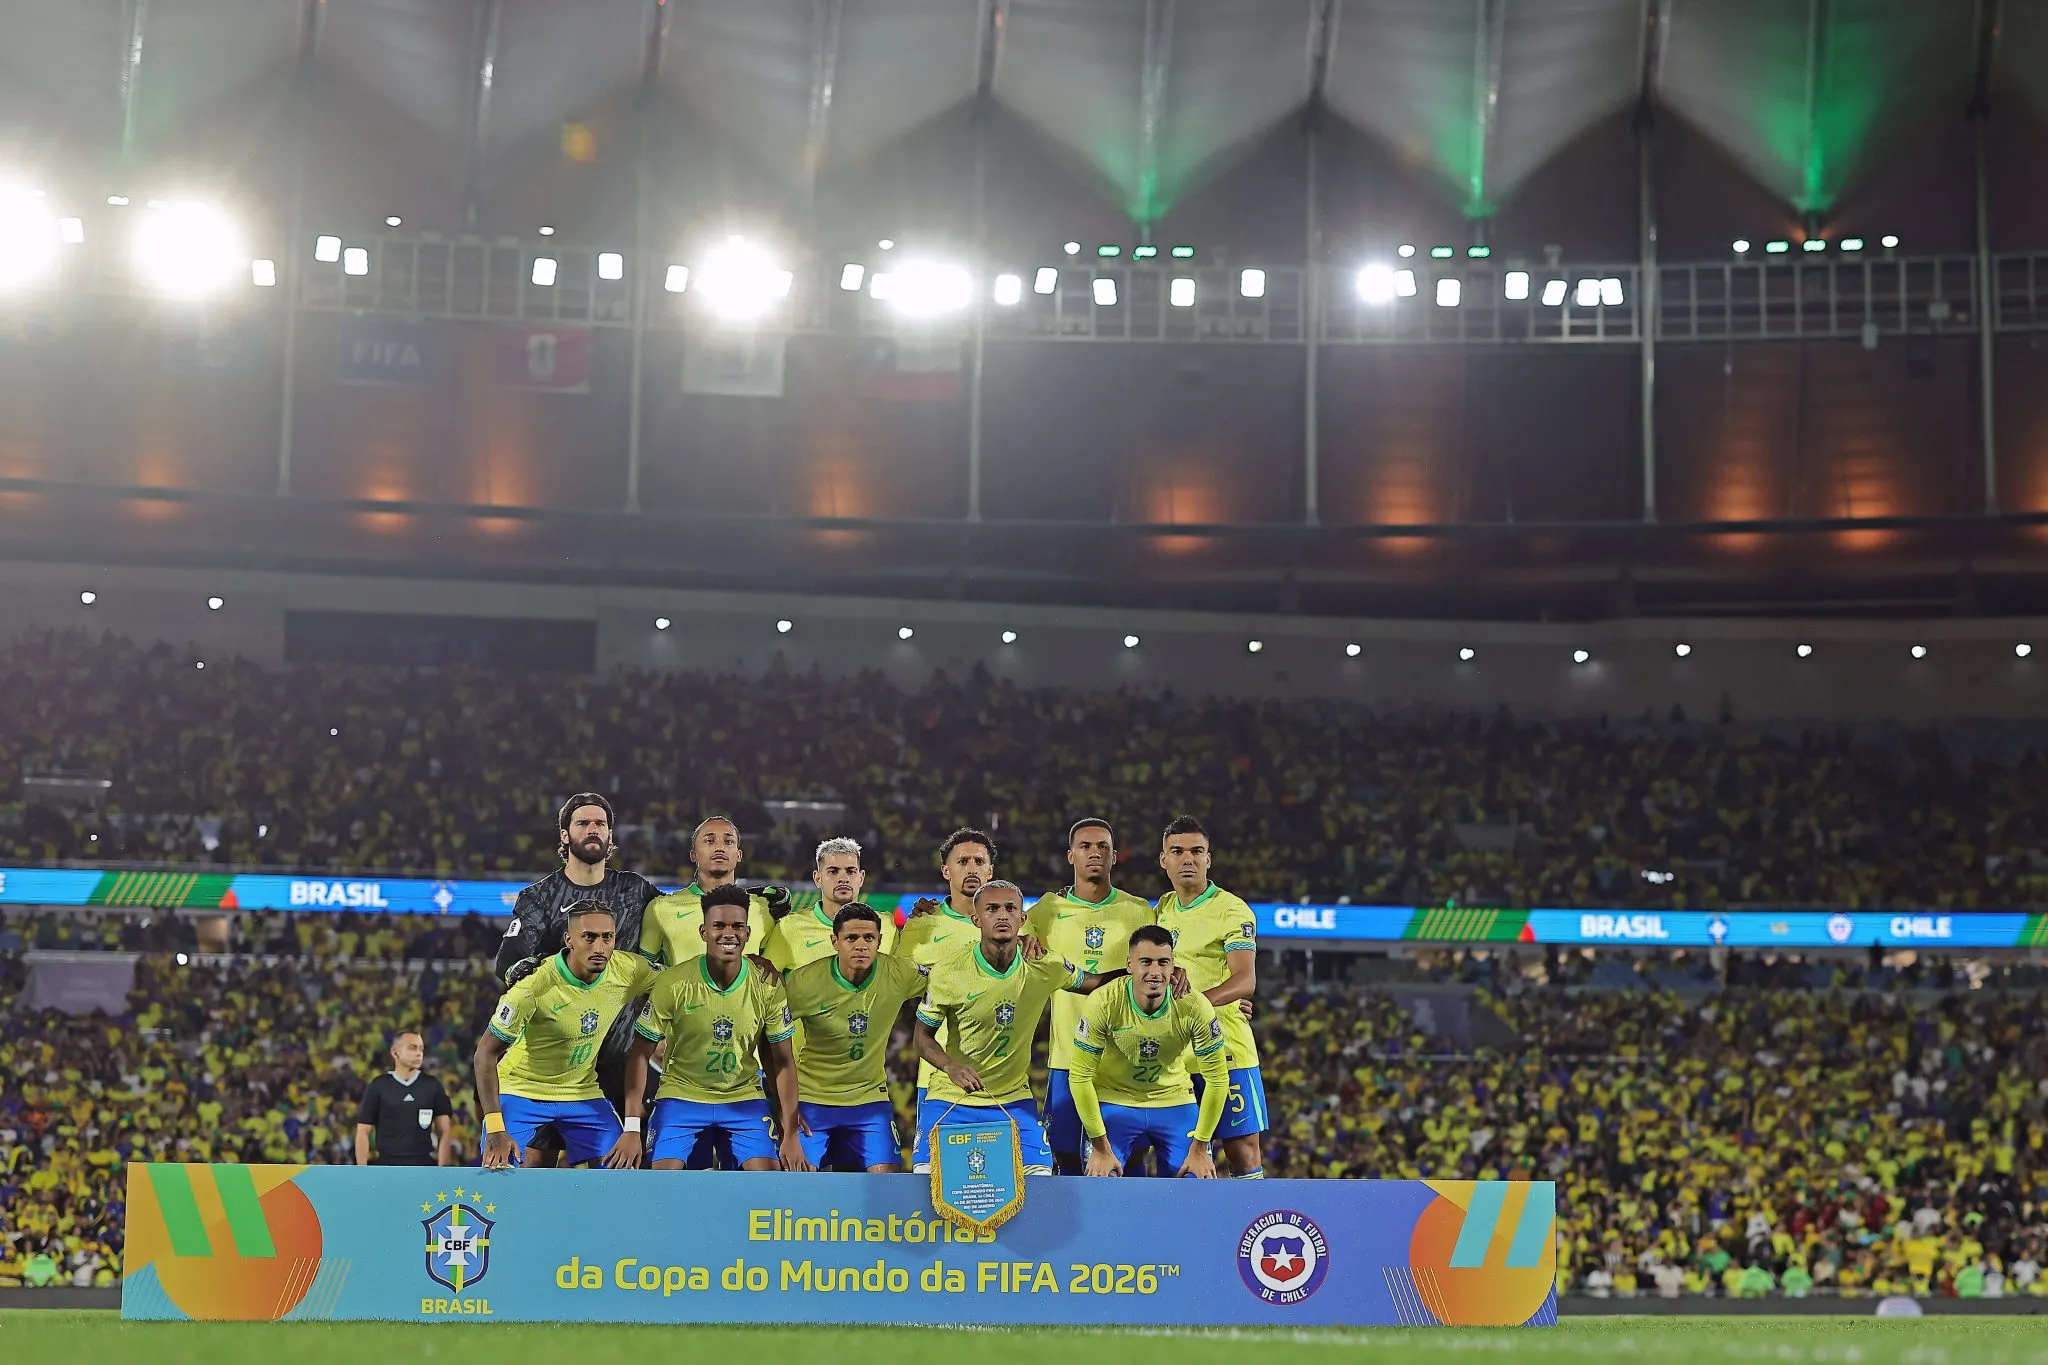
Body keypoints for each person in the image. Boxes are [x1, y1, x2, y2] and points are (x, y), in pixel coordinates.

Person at [494, 793, 666, 1165]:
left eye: (600, 824)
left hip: (621, 1058)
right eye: (583, 823)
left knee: (620, 1171)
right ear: (564, 835)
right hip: (555, 1064)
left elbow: (688, 915)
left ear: (610, 834)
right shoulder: (540, 897)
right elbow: (511, 958)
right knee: (537, 1168)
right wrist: (522, 971)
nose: (592, 830)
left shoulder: (636, 891)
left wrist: (754, 905)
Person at [910, 880, 1125, 1175]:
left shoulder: (1044, 966)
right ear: (976, 919)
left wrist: (1148, 971)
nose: (1002, 915)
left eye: (1010, 908)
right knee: (924, 1178)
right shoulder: (949, 972)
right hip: (951, 1097)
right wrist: (950, 1066)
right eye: (992, 909)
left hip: (1012, 1099)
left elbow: (1095, 982)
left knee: (1041, 1179)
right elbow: (921, 1038)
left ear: (1022, 920)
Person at [629, 885, 808, 1172]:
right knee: (662, 1181)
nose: (729, 933)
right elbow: (639, 1053)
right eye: (719, 926)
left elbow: (784, 1061)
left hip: (743, 1096)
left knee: (768, 1182)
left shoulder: (768, 986)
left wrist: (790, 1131)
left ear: (748, 934)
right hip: (681, 1095)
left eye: (738, 926)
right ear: (703, 933)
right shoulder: (674, 982)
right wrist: (630, 1127)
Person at [475, 901, 660, 1170]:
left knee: (622, 1168)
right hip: (522, 1089)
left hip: (581, 1091)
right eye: (589, 937)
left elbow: (677, 982)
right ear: (569, 939)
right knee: (499, 1166)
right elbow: (485, 1054)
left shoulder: (627, 970)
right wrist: (494, 1127)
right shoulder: (533, 987)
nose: (599, 947)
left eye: (607, 937)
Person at [1026, 819, 1156, 1173]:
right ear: (1070, 856)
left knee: (1129, 1160)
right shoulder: (1044, 911)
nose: (1094, 852)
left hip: (1123, 1058)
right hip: (1068, 1056)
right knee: (1064, 1157)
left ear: (1115, 857)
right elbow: (996, 933)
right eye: (1085, 846)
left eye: (1103, 846)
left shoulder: (1139, 910)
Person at [1153, 814, 1266, 1178]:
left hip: (1226, 1046)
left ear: (1208, 859)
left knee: (1242, 1154)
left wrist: (1196, 1004)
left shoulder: (1231, 910)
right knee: (1183, 1159)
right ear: (1164, 860)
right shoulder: (1162, 909)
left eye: (1197, 851)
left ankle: (1249, 1229)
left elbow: (1245, 980)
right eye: (1178, 851)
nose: (1188, 859)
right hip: (1174, 1056)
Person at [1068, 925, 1229, 1179]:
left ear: (1172, 966)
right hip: (1116, 1100)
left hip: (1174, 1100)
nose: (1155, 972)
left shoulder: (1194, 1006)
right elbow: (1079, 1077)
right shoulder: (1103, 1002)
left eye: (1163, 963)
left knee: (1196, 1182)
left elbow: (1218, 1080)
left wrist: (1200, 1147)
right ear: (1130, 965)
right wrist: (1099, 1146)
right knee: (1101, 1181)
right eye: (1146, 962)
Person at [781, 903, 925, 1171]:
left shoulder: (898, 973)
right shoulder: (804, 982)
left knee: (888, 1183)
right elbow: (768, 1031)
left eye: (869, 938)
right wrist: (785, 1107)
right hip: (812, 1101)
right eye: (851, 938)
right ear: (834, 941)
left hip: (869, 1101)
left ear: (879, 941)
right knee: (798, 1186)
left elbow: (949, 975)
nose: (861, 945)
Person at [640, 816, 789, 968]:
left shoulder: (764, 908)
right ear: (693, 854)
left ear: (739, 855)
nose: (720, 847)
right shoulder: (660, 908)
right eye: (710, 841)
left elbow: (771, 972)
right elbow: (645, 973)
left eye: (728, 841)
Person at [764, 837, 894, 970]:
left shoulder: (887, 926)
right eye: (833, 871)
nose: (843, 879)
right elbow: (767, 984)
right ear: (817, 878)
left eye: (851, 871)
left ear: (861, 878)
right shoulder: (788, 928)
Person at [353, 1029, 452, 1166]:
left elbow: (444, 1131)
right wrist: (362, 1170)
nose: (418, 1053)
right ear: (395, 1052)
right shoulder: (379, 1085)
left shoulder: (433, 1086)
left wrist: (443, 1170)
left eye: (421, 1049)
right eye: (412, 1048)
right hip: (386, 1165)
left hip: (423, 1165)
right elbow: (363, 1130)